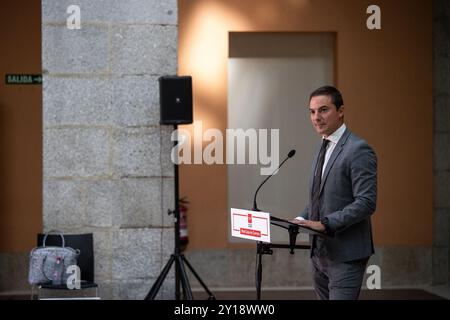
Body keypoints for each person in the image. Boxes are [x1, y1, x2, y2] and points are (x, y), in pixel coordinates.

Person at [292, 85, 377, 300]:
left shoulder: (358, 149)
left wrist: (327, 223)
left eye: (323, 110)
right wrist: (301, 218)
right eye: (312, 112)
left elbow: (366, 202)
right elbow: (318, 198)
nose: (316, 117)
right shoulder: (323, 147)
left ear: (341, 111)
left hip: (346, 254)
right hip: (319, 253)